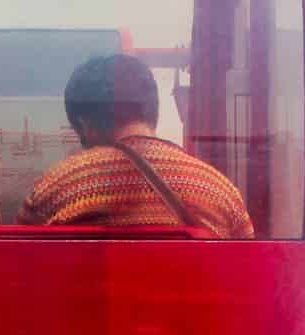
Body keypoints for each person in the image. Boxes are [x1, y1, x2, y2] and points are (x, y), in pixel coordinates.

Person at [18, 54, 255, 238]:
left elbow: (20, 276)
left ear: (85, 124)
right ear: (153, 110)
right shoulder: (220, 192)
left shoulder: (55, 188)